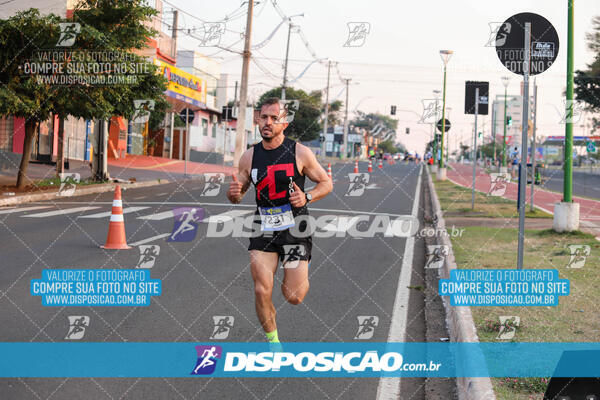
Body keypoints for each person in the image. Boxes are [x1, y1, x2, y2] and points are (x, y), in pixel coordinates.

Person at [227, 98, 333, 345]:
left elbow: (326, 183)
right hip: (263, 228)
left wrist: (306, 196)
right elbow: (237, 194)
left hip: (295, 230)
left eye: (274, 118)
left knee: (294, 296)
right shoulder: (250, 156)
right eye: (264, 117)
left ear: (284, 123)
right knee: (261, 289)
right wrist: (233, 194)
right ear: (258, 119)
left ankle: (299, 270)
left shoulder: (300, 153)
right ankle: (274, 344)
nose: (268, 122)